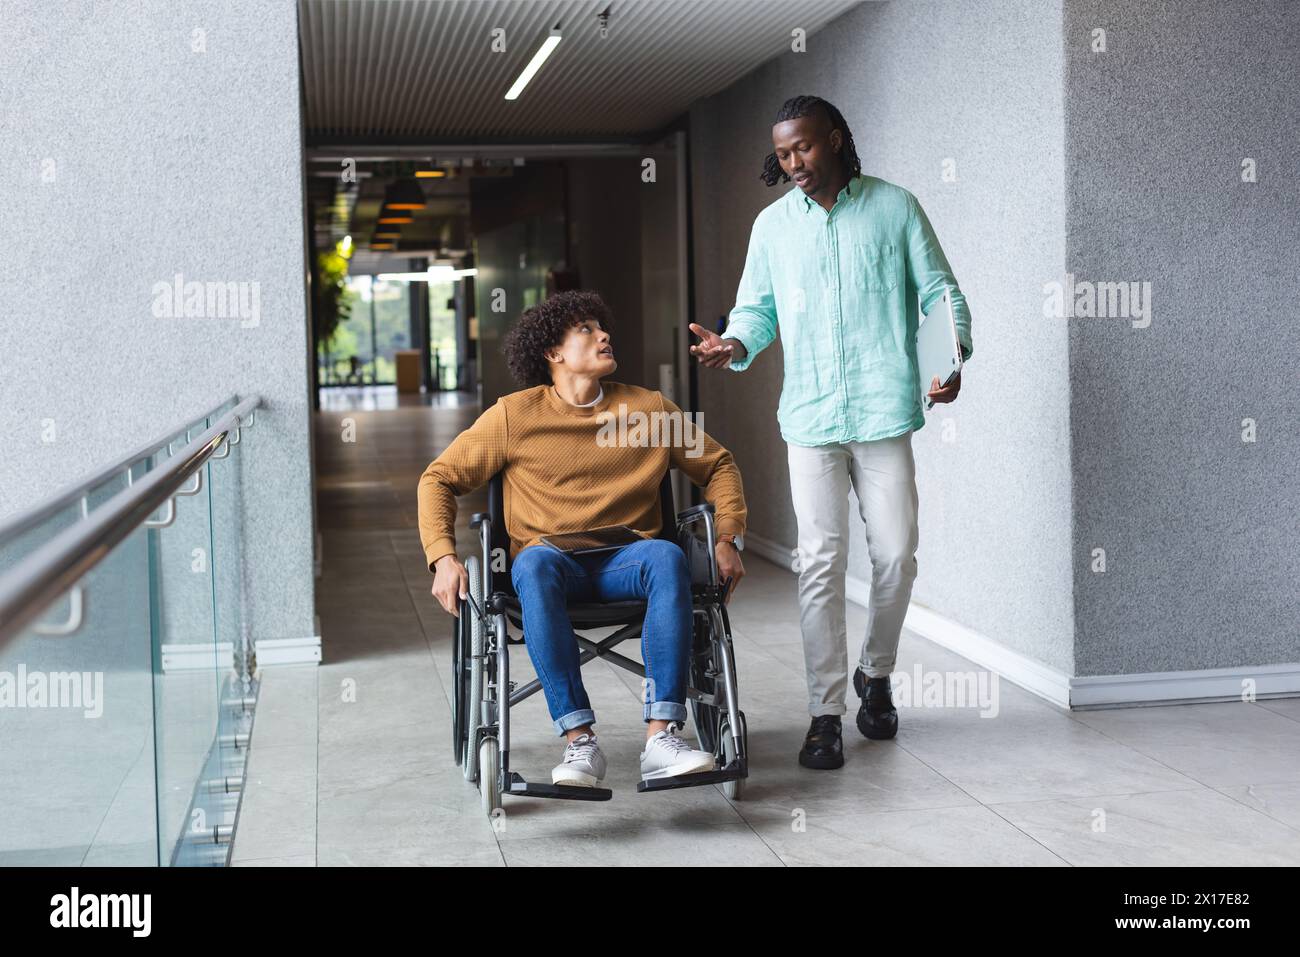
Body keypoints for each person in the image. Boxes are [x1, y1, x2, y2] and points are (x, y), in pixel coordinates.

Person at [691, 95, 973, 770]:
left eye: (805, 149)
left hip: (882, 413)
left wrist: (948, 357)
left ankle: (875, 673)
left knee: (897, 554)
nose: (795, 164)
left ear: (836, 140)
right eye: (784, 154)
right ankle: (825, 713)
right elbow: (755, 311)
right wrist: (733, 344)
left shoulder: (894, 207)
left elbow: (939, 292)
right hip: (811, 418)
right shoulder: (773, 227)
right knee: (818, 560)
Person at [419, 290, 748, 787]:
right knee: (531, 564)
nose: (603, 335)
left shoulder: (648, 410)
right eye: (586, 330)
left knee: (666, 555)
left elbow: (718, 464)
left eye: (602, 327)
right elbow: (438, 478)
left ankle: (661, 738)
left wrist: (727, 536)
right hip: (552, 566)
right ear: (552, 353)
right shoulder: (514, 416)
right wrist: (443, 556)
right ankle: (578, 742)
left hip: (630, 562)